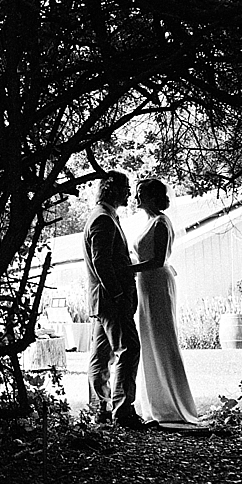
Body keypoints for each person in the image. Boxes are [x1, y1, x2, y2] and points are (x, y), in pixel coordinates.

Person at [129, 179, 201, 426]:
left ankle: (173, 403)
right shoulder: (149, 222)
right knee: (149, 339)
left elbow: (157, 260)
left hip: (156, 282)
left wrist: (126, 269)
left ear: (150, 197)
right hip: (146, 284)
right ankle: (157, 402)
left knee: (162, 337)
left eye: (140, 193)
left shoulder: (160, 223)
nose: (135, 197)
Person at [83, 171, 148, 429]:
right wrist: (120, 294)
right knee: (128, 348)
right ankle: (122, 412)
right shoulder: (103, 220)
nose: (130, 193)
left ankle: (98, 410)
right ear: (112, 190)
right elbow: (102, 263)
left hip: (103, 300)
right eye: (126, 188)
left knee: (100, 355)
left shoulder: (104, 216)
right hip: (111, 299)